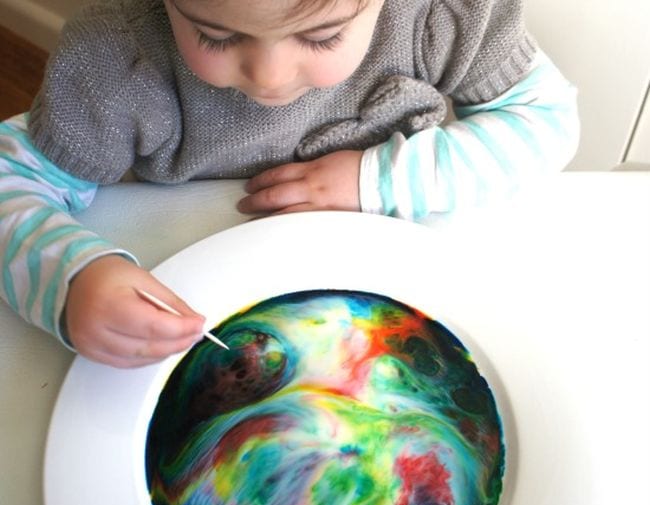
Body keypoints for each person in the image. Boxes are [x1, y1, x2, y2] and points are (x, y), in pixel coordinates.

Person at [0, 0, 579, 368]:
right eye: (217, 37)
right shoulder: (114, 59)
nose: (269, 77)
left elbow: (546, 121)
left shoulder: (442, 14)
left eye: (323, 36)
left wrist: (377, 178)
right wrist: (70, 279)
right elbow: (13, 182)